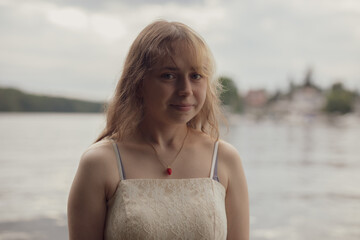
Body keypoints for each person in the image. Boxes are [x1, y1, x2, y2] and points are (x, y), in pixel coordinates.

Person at [67, 20, 249, 240]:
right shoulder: (100, 163)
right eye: (169, 76)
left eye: (196, 76)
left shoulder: (224, 159)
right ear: (138, 83)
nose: (186, 90)